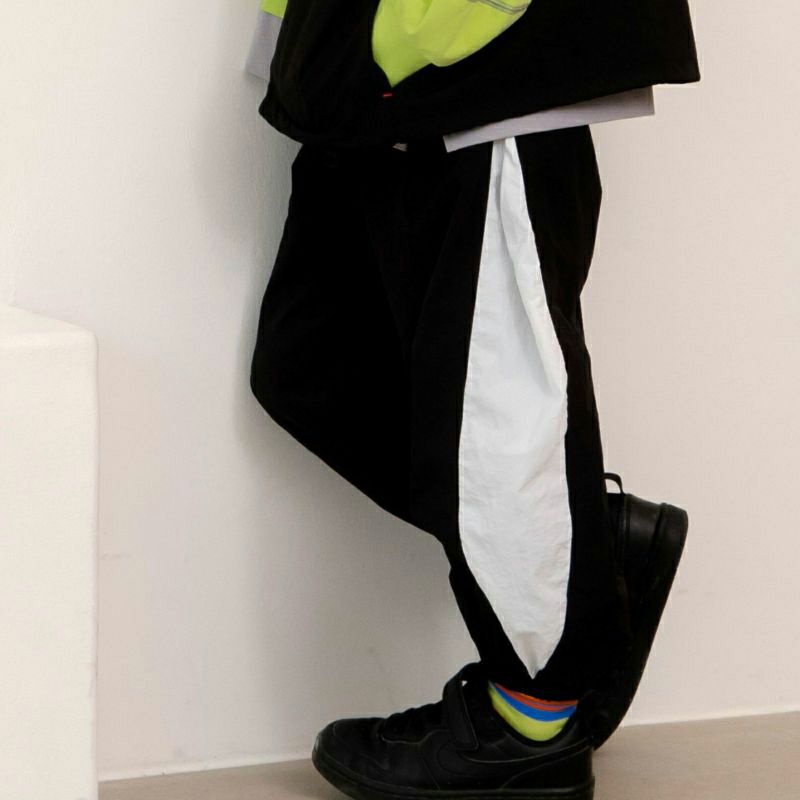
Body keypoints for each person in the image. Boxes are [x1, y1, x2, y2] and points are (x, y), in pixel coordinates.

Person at [247, 3, 700, 798]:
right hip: (368, 75)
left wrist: (391, 41)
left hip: (476, 78)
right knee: (311, 368)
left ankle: (532, 724)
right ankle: (585, 553)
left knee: (495, 411)